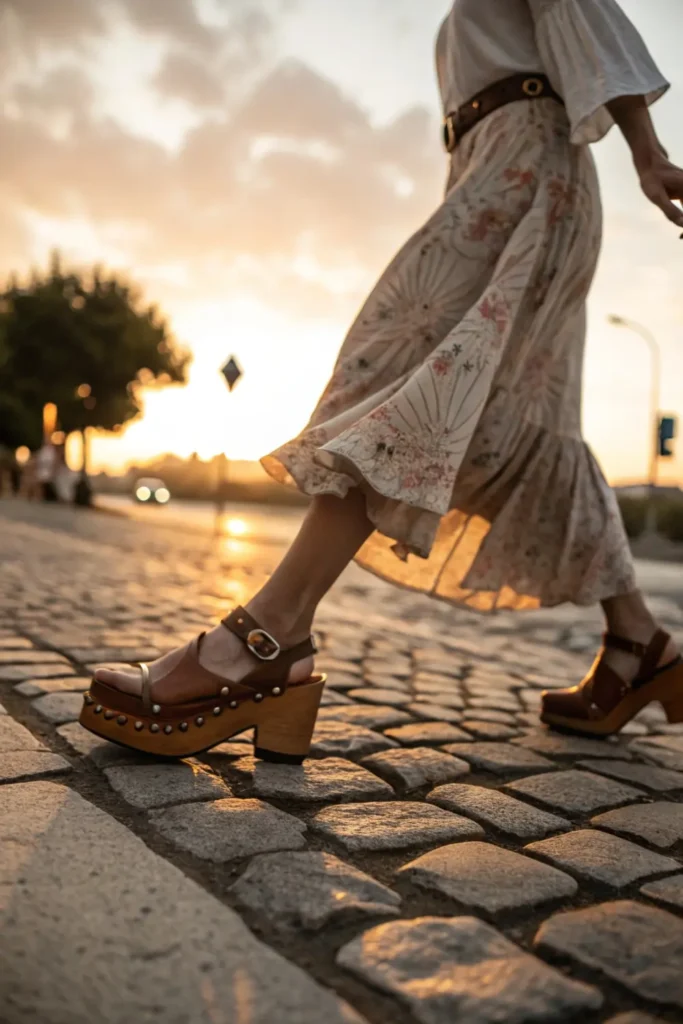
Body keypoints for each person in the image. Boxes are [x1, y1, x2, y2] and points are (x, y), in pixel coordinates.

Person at [83, 0, 683, 758]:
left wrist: (645, 151)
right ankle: (639, 642)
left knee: (403, 371)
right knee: (521, 417)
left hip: (529, 166)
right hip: (496, 164)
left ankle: (272, 634)